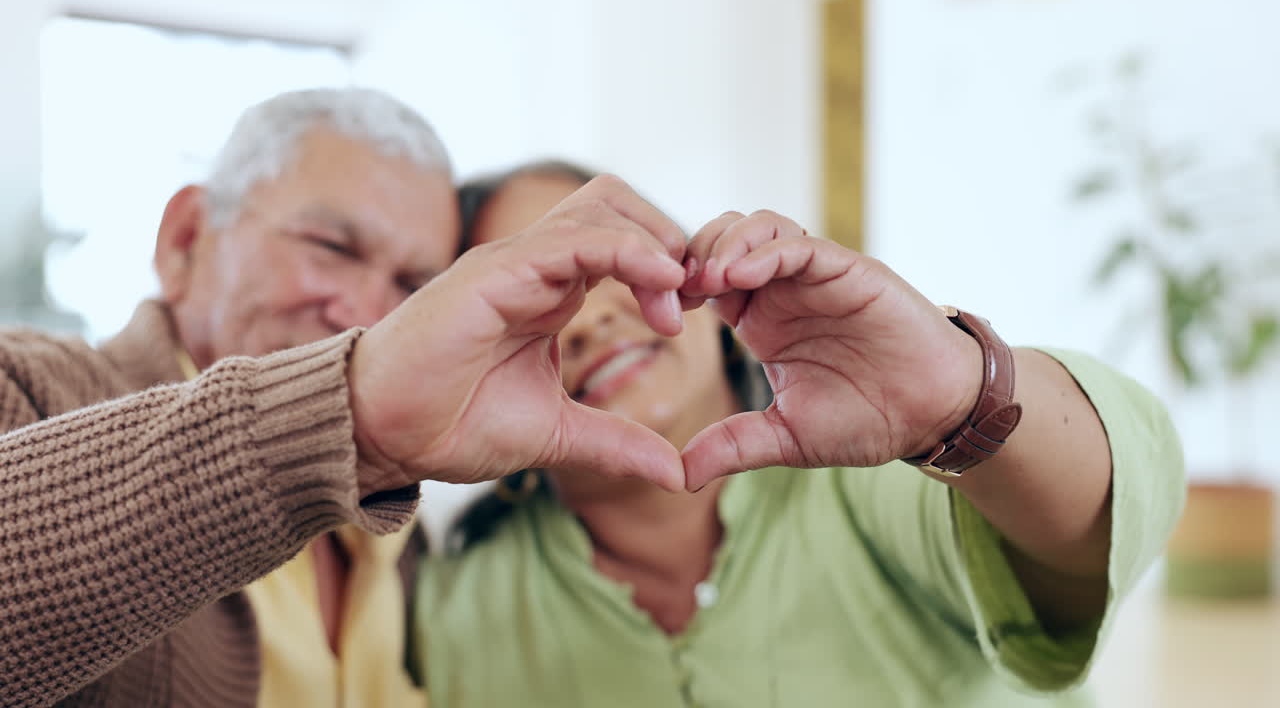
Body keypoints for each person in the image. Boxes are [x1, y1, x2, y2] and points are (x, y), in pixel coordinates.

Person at [0, 96, 693, 708]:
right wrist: (345, 415)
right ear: (185, 241)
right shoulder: (32, 387)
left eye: (413, 283)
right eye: (331, 247)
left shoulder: (402, 533)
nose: (368, 311)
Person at [411, 161, 1186, 707]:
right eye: (537, 297)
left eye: (595, 261)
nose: (587, 319)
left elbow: (1102, 532)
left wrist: (959, 396)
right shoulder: (455, 609)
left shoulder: (882, 474)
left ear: (694, 275)